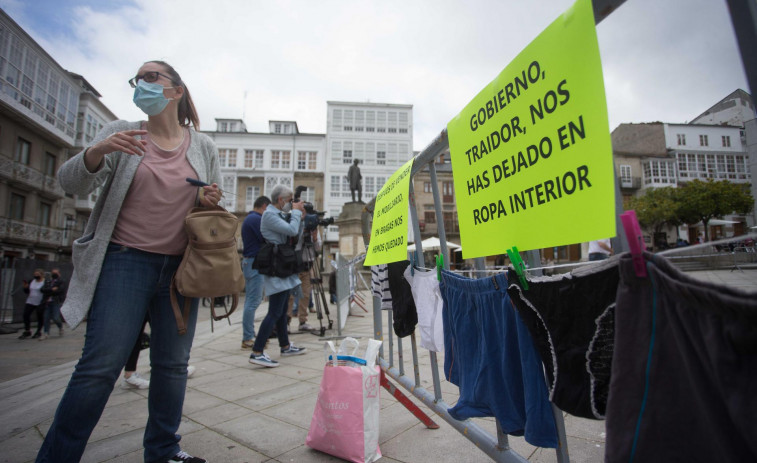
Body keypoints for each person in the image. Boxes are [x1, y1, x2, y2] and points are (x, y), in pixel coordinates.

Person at [35, 60, 220, 463]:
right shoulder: (121, 133)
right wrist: (96, 152)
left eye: (152, 77)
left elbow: (211, 205)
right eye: (138, 79)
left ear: (176, 90)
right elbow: (70, 182)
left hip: (181, 272)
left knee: (172, 365)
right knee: (100, 366)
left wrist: (207, 200)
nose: (141, 83)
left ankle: (163, 450)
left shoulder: (203, 146)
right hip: (124, 262)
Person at [249, 185, 307, 368]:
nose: (291, 204)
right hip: (276, 266)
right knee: (275, 311)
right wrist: (296, 213)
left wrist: (299, 215)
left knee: (281, 311)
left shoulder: (278, 214)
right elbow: (290, 230)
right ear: (281, 200)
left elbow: (294, 232)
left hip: (281, 264)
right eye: (289, 201)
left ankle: (285, 346)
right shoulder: (269, 215)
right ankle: (257, 351)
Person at [240, 195, 271, 349]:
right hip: (254, 262)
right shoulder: (256, 219)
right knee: (253, 301)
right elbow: (267, 237)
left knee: (250, 301)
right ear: (264, 206)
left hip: (250, 261)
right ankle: (248, 337)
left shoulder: (249, 219)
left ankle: (249, 334)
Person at [287, 228, 321, 332]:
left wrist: (315, 238)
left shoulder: (313, 227)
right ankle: (286, 321)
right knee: (290, 296)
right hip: (293, 265)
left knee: (306, 295)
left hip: (307, 266)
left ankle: (303, 321)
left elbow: (318, 248)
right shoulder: (294, 223)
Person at [39, 267, 66, 340]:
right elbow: (42, 289)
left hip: (56, 302)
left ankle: (60, 326)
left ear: (59, 274)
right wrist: (51, 289)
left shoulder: (61, 281)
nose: (54, 274)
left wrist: (49, 291)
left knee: (55, 317)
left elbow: (60, 290)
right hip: (47, 302)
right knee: (46, 317)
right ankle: (46, 333)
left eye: (55, 273)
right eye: (53, 273)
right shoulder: (48, 281)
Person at [19, 269, 46, 339]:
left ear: (42, 275)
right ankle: (27, 330)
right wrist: (25, 287)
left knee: (39, 316)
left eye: (37, 274)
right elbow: (27, 291)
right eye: (35, 274)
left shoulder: (45, 282)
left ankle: (38, 331)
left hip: (40, 302)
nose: (36, 276)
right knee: (26, 315)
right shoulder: (31, 281)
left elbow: (47, 291)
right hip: (30, 301)